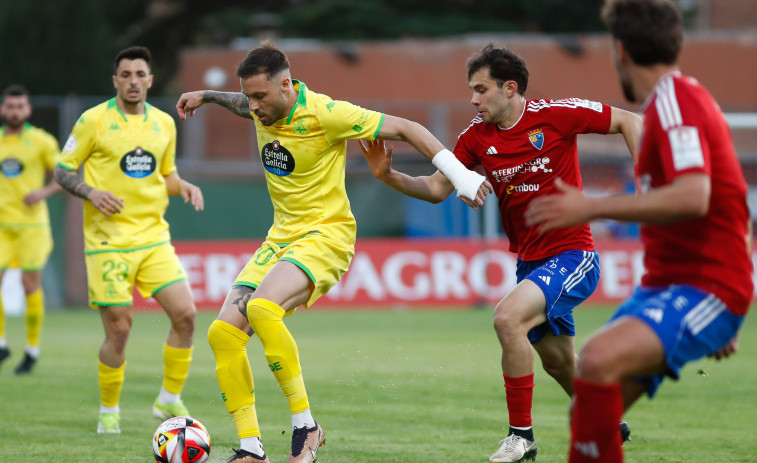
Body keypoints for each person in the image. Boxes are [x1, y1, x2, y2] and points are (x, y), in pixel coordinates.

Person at [175, 42, 491, 463]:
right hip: (281, 238)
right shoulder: (258, 105)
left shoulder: (327, 113)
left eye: (260, 97)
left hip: (327, 236)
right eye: (248, 96)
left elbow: (410, 128)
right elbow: (239, 102)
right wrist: (209, 96)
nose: (253, 107)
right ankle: (252, 449)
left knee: (263, 309)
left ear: (286, 85)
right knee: (222, 335)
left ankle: (307, 427)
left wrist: (461, 176)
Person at [360, 43, 642, 462]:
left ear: (510, 88)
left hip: (573, 253)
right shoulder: (474, 137)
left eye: (481, 89)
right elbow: (437, 189)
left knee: (508, 318)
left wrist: (650, 186)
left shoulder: (556, 114)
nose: (473, 99)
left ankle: (520, 437)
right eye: (471, 90)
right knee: (558, 363)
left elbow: (629, 120)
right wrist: (388, 175)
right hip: (530, 261)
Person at [524, 1, 753, 461]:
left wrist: (591, 207)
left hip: (705, 286)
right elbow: (735, 206)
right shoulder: (675, 103)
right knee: (589, 406)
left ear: (620, 50)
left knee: (597, 360)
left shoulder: (676, 103)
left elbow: (694, 196)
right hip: (672, 287)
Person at [54, 46, 205, 434]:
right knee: (119, 331)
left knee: (186, 315)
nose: (133, 81)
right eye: (126, 74)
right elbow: (63, 170)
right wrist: (90, 192)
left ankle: (167, 399)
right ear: (116, 80)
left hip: (153, 238)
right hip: (107, 243)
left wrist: (182, 185)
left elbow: (164, 176)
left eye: (140, 74)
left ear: (150, 80)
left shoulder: (164, 124)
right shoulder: (93, 121)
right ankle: (109, 410)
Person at [0, 85, 61, 375]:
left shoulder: (41, 141)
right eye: (10, 106)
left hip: (32, 226)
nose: (14, 111)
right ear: (3, 110)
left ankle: (32, 350)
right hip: (1, 225)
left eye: (19, 106)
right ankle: (1, 344)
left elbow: (63, 178)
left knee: (29, 285)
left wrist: (43, 192)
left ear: (28, 110)